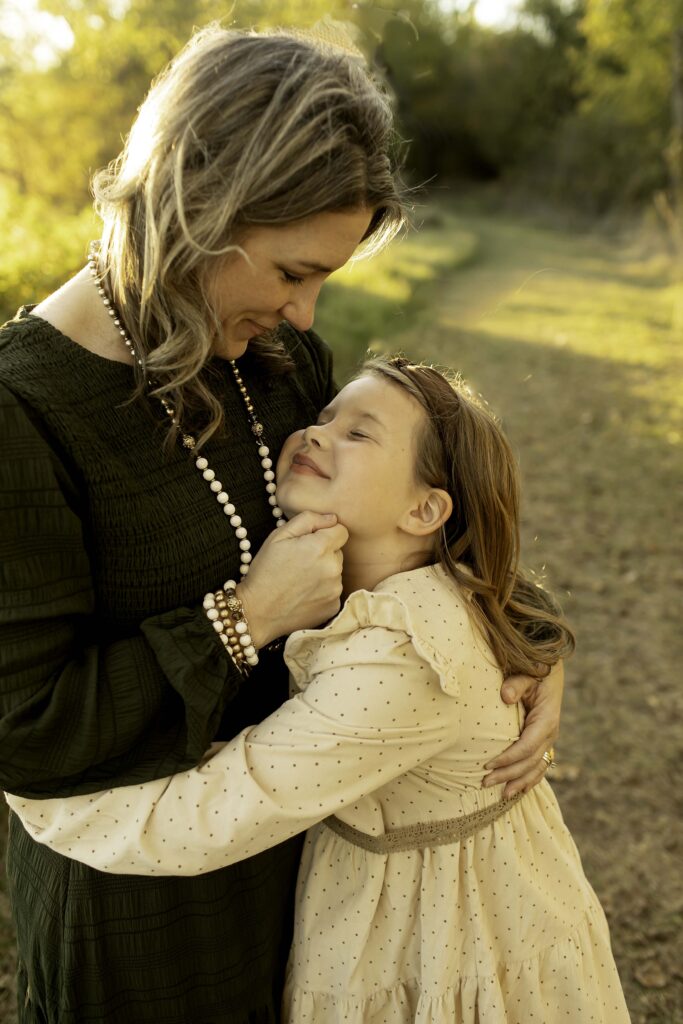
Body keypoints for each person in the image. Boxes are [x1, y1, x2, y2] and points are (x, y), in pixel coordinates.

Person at [0, 23, 564, 1024]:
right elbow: (25, 731)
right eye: (290, 272)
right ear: (198, 210)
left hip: (322, 887)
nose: (305, 316)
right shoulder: (23, 415)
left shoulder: (266, 357)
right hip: (149, 919)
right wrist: (238, 620)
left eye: (321, 283)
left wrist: (524, 642)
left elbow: (401, 538)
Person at [8, 357, 630, 1023]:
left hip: (450, 928)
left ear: (425, 509)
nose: (314, 433)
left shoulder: (401, 661)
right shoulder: (400, 598)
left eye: (358, 435)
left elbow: (209, 812)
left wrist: (35, 779)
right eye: (323, 417)